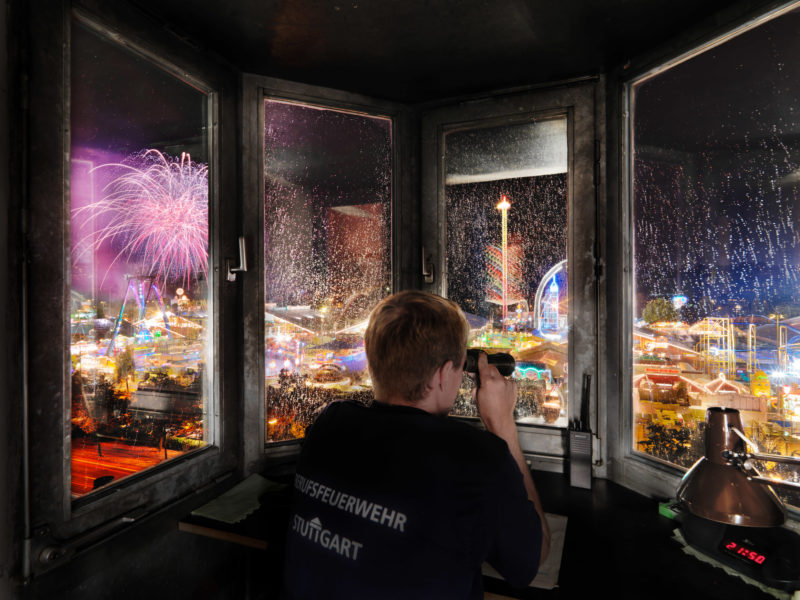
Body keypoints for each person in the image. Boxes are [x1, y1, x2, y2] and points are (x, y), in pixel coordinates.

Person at [283, 291, 550, 599]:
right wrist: (502, 424)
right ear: (441, 374)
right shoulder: (475, 457)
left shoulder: (329, 424)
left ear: (370, 355)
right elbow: (530, 560)